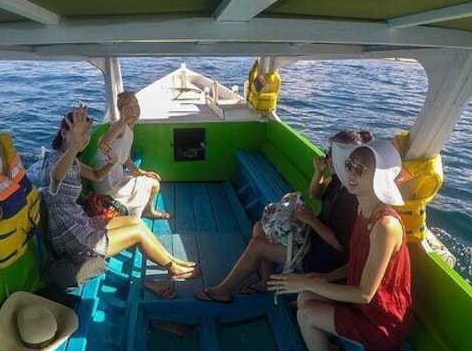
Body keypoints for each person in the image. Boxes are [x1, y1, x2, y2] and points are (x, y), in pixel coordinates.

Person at [267, 138, 412, 351]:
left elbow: (366, 294)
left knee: (308, 309)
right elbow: (357, 262)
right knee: (305, 295)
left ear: (380, 177)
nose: (351, 174)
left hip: (380, 322)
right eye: (350, 165)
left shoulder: (385, 225)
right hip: (363, 305)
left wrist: (302, 282)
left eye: (361, 169)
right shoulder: (363, 208)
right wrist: (324, 278)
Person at [193, 129, 372, 304]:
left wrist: (310, 219)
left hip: (323, 258)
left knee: (257, 245)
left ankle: (223, 292)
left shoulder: (351, 198)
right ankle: (266, 282)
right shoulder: (338, 181)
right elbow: (315, 194)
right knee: (259, 227)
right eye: (329, 152)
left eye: (334, 155)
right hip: (314, 240)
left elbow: (340, 245)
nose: (329, 158)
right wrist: (319, 171)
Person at [44, 106, 200, 289]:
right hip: (73, 240)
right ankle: (173, 269)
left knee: (135, 220)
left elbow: (95, 175)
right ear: (64, 133)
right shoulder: (54, 163)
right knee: (137, 233)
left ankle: (171, 258)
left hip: (81, 224)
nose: (84, 140)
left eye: (86, 136)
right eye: (79, 135)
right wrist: (76, 146)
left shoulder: (71, 161)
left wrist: (111, 162)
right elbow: (56, 177)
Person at [93, 91, 170, 219]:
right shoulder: (119, 126)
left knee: (150, 179)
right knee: (154, 183)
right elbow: (103, 142)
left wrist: (141, 172)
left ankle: (146, 210)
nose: (134, 108)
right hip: (107, 182)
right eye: (129, 106)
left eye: (136, 104)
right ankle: (144, 212)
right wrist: (122, 122)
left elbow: (126, 159)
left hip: (114, 175)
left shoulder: (129, 129)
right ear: (121, 110)